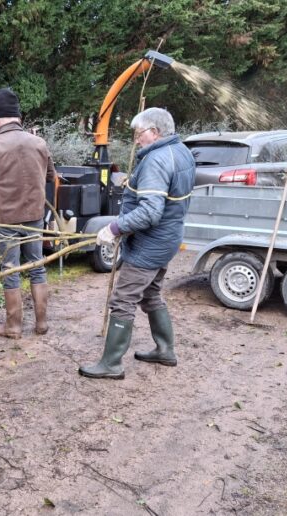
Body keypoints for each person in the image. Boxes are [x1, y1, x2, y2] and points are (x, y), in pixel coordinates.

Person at [79, 107, 196, 379]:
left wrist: (114, 227)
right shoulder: (182, 152)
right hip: (168, 238)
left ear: (155, 132)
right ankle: (165, 350)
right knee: (151, 294)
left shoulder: (156, 160)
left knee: (123, 299)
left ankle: (111, 364)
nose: (136, 139)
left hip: (150, 244)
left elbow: (150, 212)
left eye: (139, 133)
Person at [0, 88, 56, 338]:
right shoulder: (39, 143)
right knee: (37, 267)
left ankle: (14, 326)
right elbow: (50, 177)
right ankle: (42, 324)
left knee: (11, 269)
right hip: (35, 216)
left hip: (6, 219)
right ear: (19, 118)